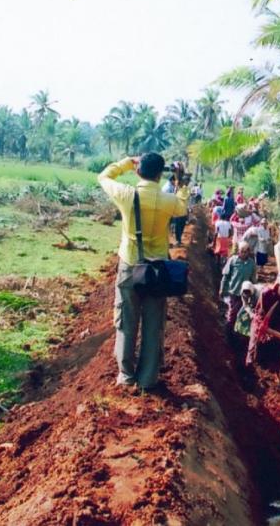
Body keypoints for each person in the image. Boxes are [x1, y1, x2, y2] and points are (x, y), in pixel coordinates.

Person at [97, 153, 187, 391]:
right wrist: (180, 182)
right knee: (153, 324)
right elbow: (183, 207)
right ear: (160, 175)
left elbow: (103, 176)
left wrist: (126, 162)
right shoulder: (168, 201)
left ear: (139, 171)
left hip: (130, 265)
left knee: (126, 321)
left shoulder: (127, 195)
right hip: (157, 270)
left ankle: (126, 376)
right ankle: (147, 379)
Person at [246, 275, 280, 366]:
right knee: (254, 341)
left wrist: (278, 330)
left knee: (277, 343)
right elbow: (260, 311)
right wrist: (262, 324)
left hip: (275, 323)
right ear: (279, 285)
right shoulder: (266, 293)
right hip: (261, 321)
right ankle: (249, 362)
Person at [220, 242, 257, 336]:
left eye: (246, 252)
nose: (244, 253)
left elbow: (253, 280)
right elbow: (225, 276)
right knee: (232, 314)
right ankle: (228, 334)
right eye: (242, 251)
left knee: (242, 315)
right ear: (239, 251)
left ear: (249, 252)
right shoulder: (233, 260)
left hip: (245, 294)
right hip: (233, 292)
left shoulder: (252, 264)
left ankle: (239, 334)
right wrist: (221, 289)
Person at [172, 176, 191, 247]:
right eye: (187, 181)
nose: (187, 182)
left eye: (188, 181)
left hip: (183, 211)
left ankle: (179, 239)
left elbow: (187, 196)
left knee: (181, 226)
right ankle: (178, 240)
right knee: (178, 226)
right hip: (178, 211)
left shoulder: (185, 189)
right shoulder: (179, 189)